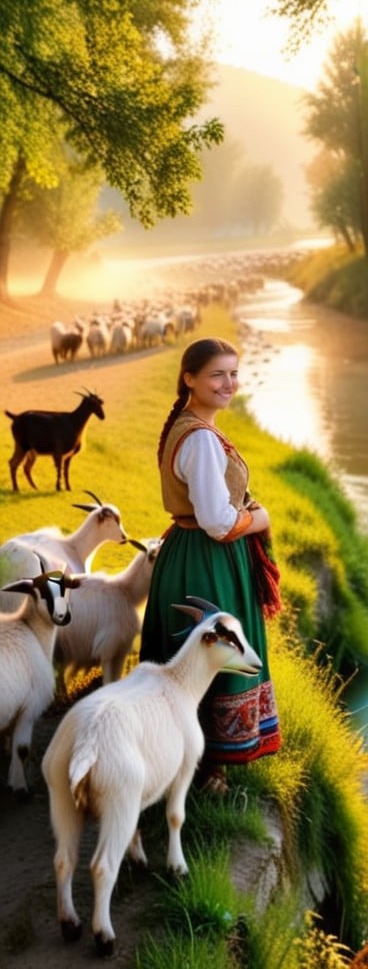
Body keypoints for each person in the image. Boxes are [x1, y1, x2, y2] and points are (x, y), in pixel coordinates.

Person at [140, 337, 281, 793]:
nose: (229, 383)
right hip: (207, 559)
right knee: (212, 654)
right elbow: (218, 522)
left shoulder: (192, 426)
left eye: (234, 373)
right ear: (190, 379)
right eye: (218, 374)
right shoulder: (199, 438)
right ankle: (206, 768)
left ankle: (188, 759)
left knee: (192, 655)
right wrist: (260, 518)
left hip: (193, 552)